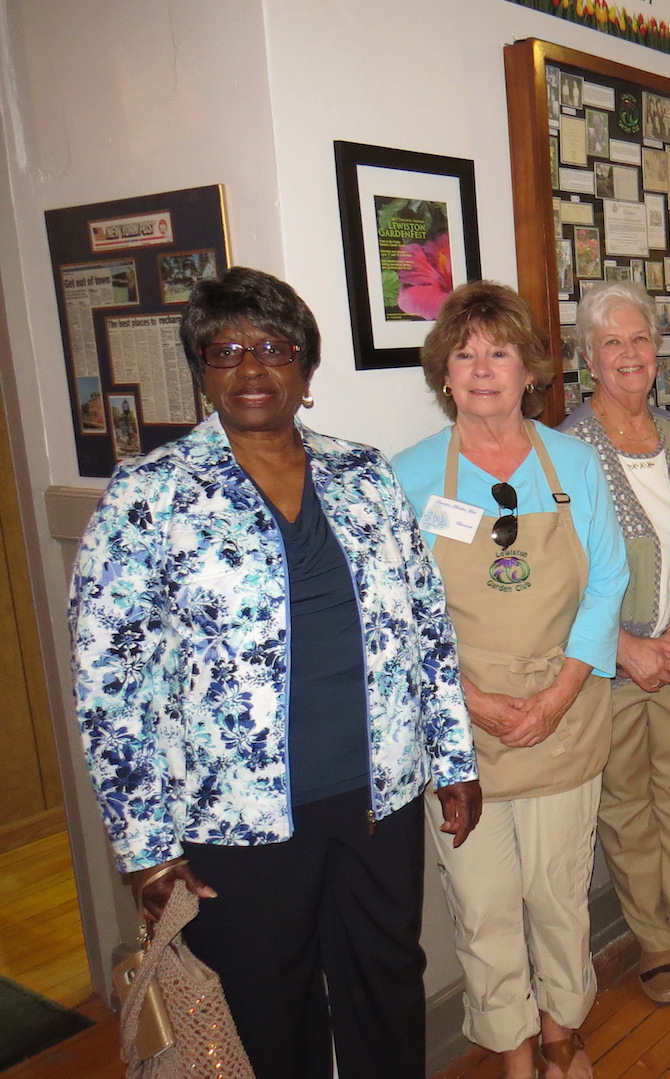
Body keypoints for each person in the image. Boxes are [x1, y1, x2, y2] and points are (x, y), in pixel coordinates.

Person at [69, 267, 480, 1079]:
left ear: (304, 366)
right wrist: (144, 845)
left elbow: (425, 625)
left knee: (386, 985)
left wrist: (453, 757)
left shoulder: (363, 475)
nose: (251, 367)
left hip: (377, 796)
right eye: (225, 350)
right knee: (265, 1007)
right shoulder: (150, 495)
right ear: (202, 369)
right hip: (235, 819)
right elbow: (109, 683)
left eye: (273, 347)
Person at [393, 282, 628, 1079]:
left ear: (530, 369)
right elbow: (397, 612)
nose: (483, 368)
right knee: (483, 902)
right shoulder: (409, 475)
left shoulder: (576, 463)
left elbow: (609, 580)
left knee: (558, 893)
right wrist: (473, 702)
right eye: (465, 354)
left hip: (565, 712)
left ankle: (562, 1027)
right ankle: (516, 1047)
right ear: (445, 373)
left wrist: (557, 696)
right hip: (461, 729)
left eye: (500, 352)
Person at [557, 282, 670, 1004]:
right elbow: (564, 574)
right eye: (613, 342)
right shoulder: (566, 449)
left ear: (657, 352)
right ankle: (653, 939)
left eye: (640, 339)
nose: (630, 353)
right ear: (590, 359)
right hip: (609, 669)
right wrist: (627, 650)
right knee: (625, 805)